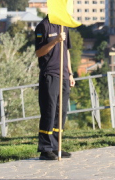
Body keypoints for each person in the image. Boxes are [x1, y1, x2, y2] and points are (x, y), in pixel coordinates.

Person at [34, 15, 76, 160]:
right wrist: (55, 40)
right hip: (50, 75)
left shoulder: (64, 25)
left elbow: (67, 51)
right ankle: (45, 149)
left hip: (63, 75)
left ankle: (56, 146)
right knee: (49, 111)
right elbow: (39, 52)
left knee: (61, 112)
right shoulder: (43, 26)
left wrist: (70, 73)